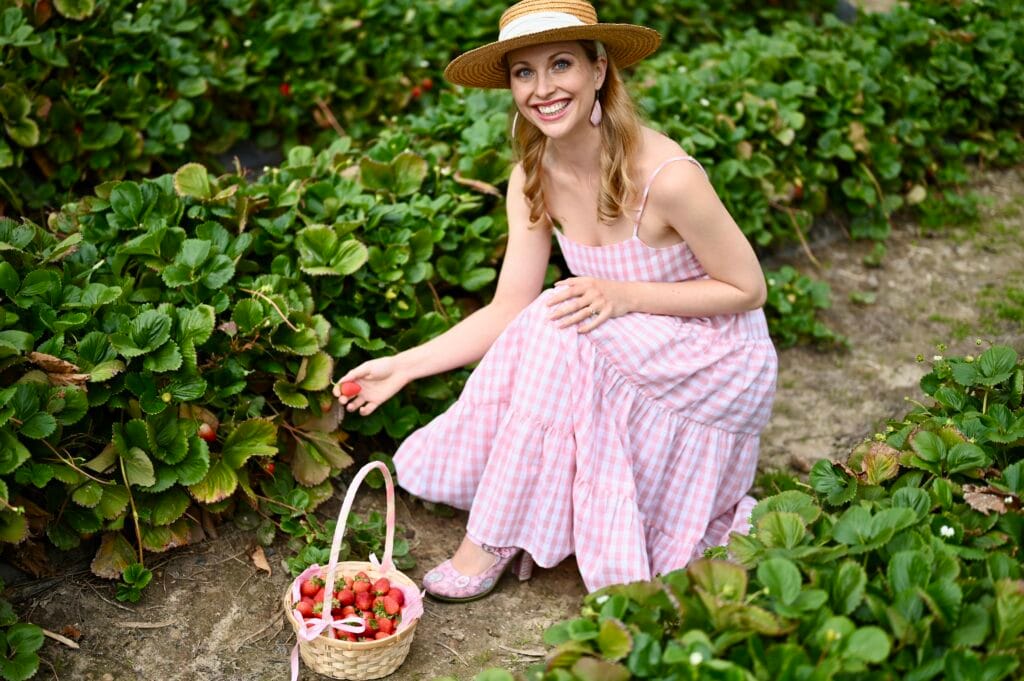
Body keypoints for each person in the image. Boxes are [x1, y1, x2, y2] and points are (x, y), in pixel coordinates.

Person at [333, 0, 777, 600]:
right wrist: (404, 366)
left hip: (718, 357)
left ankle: (490, 538)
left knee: (559, 318)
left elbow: (747, 289)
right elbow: (509, 306)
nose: (542, 89)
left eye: (561, 64)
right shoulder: (532, 176)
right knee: (551, 316)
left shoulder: (668, 176)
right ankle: (505, 526)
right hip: (620, 338)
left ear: (599, 71)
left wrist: (621, 294)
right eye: (524, 73)